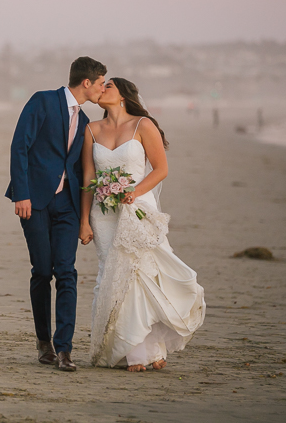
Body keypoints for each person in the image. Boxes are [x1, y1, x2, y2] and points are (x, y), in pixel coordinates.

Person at [79, 77, 205, 372]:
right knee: (111, 275)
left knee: (139, 274)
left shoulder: (143, 125)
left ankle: (141, 351)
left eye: (108, 85)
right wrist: (84, 221)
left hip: (136, 208)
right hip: (103, 213)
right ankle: (131, 350)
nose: (102, 89)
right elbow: (87, 178)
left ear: (122, 94)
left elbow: (161, 169)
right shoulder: (91, 129)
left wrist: (132, 193)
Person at [6, 57, 107, 371]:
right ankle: (43, 341)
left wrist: (84, 217)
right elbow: (19, 146)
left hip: (67, 205)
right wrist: (21, 193)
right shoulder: (43, 101)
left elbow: (80, 167)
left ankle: (64, 349)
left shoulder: (87, 121)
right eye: (102, 82)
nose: (104, 89)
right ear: (86, 83)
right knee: (42, 271)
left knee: (66, 271)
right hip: (34, 200)